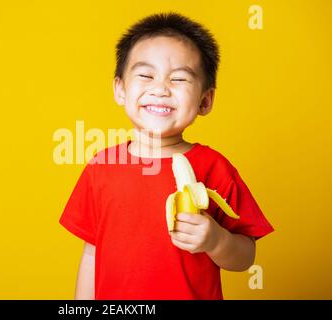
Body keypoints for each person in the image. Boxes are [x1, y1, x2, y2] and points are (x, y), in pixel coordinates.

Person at [59, 12, 274, 300]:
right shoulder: (102, 166)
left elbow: (246, 255)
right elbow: (91, 253)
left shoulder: (215, 168)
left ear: (205, 100)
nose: (160, 89)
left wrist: (216, 240)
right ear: (120, 89)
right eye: (146, 75)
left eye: (179, 79)